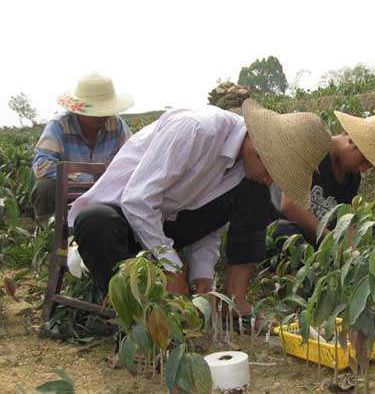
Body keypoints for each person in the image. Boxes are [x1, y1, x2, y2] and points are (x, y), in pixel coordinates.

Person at [68, 99, 332, 317]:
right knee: (95, 222)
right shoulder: (196, 130)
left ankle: (226, 303)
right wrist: (170, 267)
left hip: (163, 224)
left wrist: (202, 278)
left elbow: (208, 221)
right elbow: (137, 200)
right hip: (123, 218)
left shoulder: (243, 168)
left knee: (254, 190)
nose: (270, 180)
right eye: (273, 171)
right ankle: (134, 318)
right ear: (260, 148)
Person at [271, 110, 375, 245]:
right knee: (285, 234)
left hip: (316, 240)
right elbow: (289, 205)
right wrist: (331, 242)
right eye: (365, 160)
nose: (364, 169)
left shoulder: (352, 177)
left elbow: (342, 220)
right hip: (279, 227)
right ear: (353, 140)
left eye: (370, 166)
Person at [31, 72, 133, 222]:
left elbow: (133, 158)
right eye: (96, 111)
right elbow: (42, 165)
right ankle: (50, 233)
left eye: (104, 109)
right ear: (77, 109)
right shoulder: (59, 125)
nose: (102, 115)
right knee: (45, 188)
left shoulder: (116, 125)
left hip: (106, 190)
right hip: (69, 188)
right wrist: (85, 178)